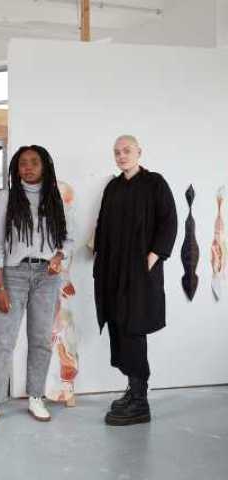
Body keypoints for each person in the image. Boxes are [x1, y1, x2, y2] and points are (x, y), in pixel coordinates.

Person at [0, 145, 74, 426]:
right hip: (13, 275)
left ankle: (36, 396)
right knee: (3, 340)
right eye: (23, 163)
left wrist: (58, 256)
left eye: (34, 162)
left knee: (40, 339)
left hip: (47, 276)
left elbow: (68, 239)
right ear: (16, 168)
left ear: (44, 166)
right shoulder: (6, 198)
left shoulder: (55, 198)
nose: (28, 167)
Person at [93, 135, 177, 426]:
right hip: (114, 272)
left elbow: (169, 222)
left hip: (140, 273)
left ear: (139, 152)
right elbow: (102, 224)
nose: (121, 156)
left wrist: (153, 257)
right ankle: (133, 390)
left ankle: (140, 401)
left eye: (126, 151)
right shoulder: (113, 187)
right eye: (116, 152)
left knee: (134, 327)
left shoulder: (155, 183)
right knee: (118, 325)